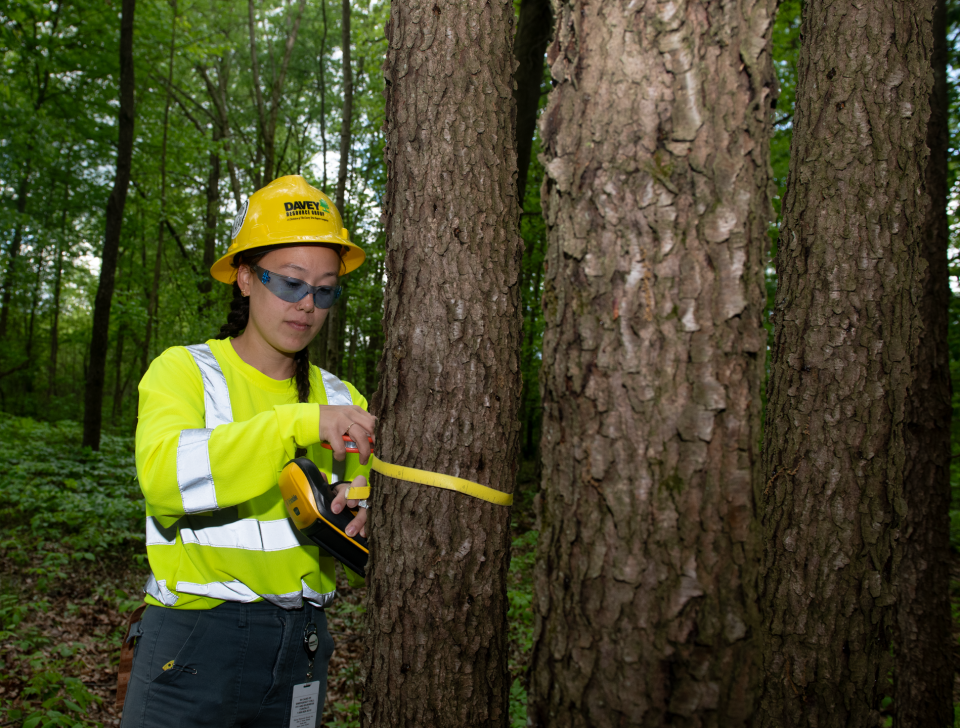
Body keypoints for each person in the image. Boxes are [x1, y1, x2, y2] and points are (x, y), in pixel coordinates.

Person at [122, 175, 375, 728]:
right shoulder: (184, 372)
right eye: (290, 283)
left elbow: (364, 509)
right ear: (244, 278)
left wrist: (368, 511)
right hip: (192, 644)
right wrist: (296, 423)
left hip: (303, 646)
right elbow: (165, 482)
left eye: (325, 289)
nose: (307, 304)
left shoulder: (342, 400)